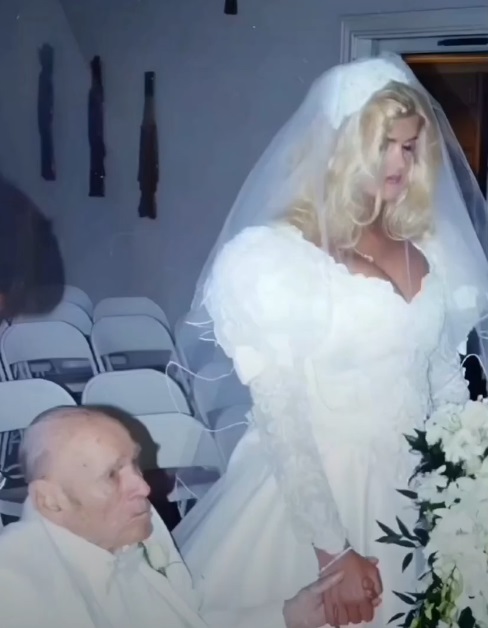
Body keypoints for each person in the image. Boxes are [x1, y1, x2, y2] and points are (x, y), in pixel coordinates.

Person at [172, 53, 488, 627]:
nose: (401, 161)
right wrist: (332, 551)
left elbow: (444, 382)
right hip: (318, 495)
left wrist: (466, 489)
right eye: (385, 144)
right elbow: (281, 413)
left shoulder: (431, 251)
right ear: (341, 146)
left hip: (416, 495)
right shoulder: (277, 258)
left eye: (410, 146)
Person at [0, 405, 347, 628]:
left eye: (135, 463)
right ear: (51, 501)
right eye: (112, 475)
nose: (143, 487)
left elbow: (184, 619)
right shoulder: (15, 589)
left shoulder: (130, 527)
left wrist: (289, 615)